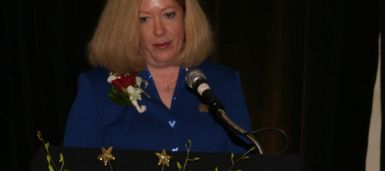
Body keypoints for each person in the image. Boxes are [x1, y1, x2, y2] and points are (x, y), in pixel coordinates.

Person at [63, 0, 252, 152]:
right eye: (144, 19)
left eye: (169, 15)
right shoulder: (96, 88)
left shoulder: (225, 84)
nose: (159, 30)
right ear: (125, 26)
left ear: (186, 17)